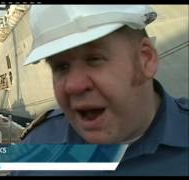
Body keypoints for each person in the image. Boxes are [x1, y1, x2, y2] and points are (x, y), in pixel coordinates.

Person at [11, 5, 188, 176]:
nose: (73, 85)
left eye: (94, 59)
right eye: (61, 66)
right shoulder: (35, 150)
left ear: (146, 59)